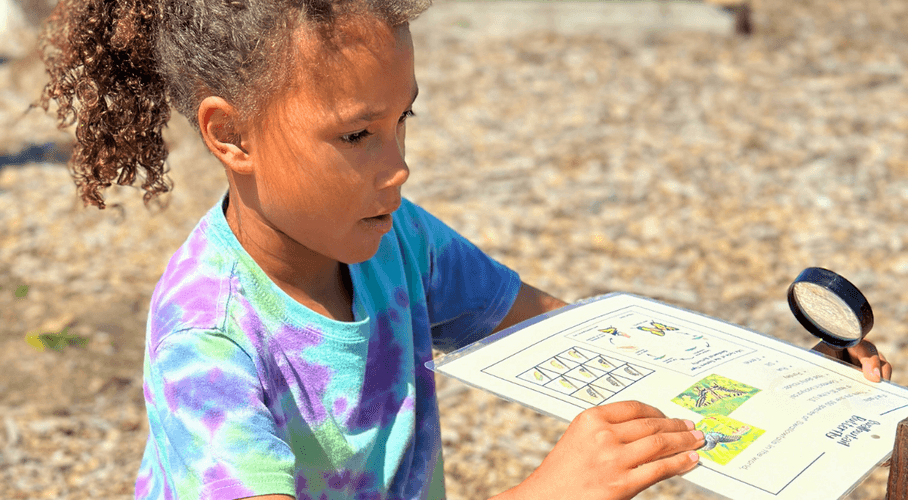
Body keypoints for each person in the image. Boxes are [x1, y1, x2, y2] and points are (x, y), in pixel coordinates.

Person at [37, 0, 892, 499]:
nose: (398, 165)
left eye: (402, 119)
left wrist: (783, 381)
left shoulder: (394, 238)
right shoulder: (208, 343)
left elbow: (579, 339)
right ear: (231, 135)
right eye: (358, 135)